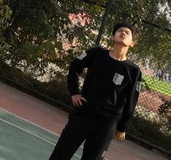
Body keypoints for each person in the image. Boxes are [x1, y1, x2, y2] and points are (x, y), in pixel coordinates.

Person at [48, 23, 142, 160]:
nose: (123, 33)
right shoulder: (97, 53)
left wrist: (123, 126)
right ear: (112, 37)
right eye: (120, 31)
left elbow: (132, 100)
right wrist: (74, 92)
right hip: (84, 114)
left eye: (127, 33)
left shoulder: (133, 71)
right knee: (60, 155)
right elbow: (74, 67)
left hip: (107, 123)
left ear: (132, 43)